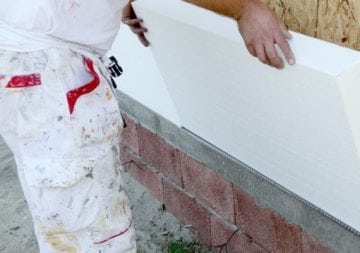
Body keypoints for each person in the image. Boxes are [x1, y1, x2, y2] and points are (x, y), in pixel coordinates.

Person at [0, 0, 294, 252]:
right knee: (91, 238)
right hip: (46, 75)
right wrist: (246, 8)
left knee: (67, 222)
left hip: (28, 69)